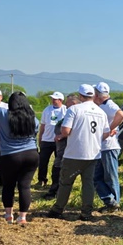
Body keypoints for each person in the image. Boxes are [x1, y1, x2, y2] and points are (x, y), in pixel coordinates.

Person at [47, 85, 109, 221]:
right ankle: (86, 212)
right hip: (93, 154)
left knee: (66, 182)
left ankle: (58, 209)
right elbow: (105, 133)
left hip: (74, 153)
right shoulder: (101, 112)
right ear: (93, 96)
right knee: (88, 184)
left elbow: (65, 131)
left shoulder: (74, 109)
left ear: (80, 96)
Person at [0, 92, 39, 225]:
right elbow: (35, 133)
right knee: (25, 186)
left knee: (8, 185)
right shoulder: (33, 118)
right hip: (31, 154)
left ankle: (8, 215)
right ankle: (22, 217)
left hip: (10, 155)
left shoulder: (3, 114)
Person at [92, 82, 123, 211]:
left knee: (110, 176)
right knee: (97, 177)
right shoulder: (103, 105)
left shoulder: (109, 105)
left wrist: (109, 129)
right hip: (104, 147)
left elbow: (121, 115)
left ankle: (114, 203)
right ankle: (110, 201)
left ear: (97, 95)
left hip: (109, 146)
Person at [45, 94, 79, 199]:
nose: (65, 104)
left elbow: (69, 129)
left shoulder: (74, 113)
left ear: (73, 103)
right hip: (64, 148)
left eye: (67, 102)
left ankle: (54, 192)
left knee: (58, 169)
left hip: (65, 148)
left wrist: (62, 135)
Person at [36, 92, 67, 188]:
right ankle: (42, 179)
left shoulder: (65, 110)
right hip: (47, 139)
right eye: (52, 99)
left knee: (59, 163)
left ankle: (57, 181)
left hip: (59, 140)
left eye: (55, 99)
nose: (53, 100)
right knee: (43, 161)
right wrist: (40, 137)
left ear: (60, 100)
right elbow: (43, 125)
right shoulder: (47, 110)